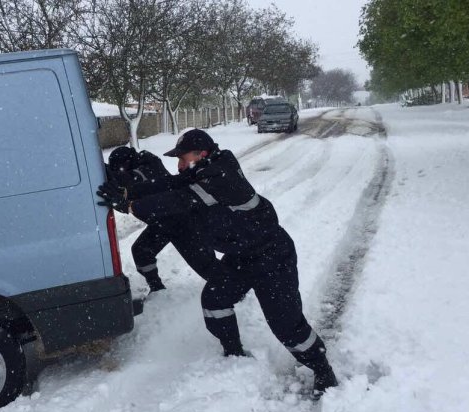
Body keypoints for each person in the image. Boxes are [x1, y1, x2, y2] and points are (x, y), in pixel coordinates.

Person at [97, 129, 338, 397]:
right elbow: (170, 184)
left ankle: (323, 370)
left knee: (286, 325)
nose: (178, 164)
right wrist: (128, 190)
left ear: (201, 154)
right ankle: (233, 351)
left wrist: (129, 205)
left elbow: (175, 201)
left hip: (271, 256)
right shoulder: (208, 167)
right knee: (215, 300)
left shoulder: (219, 179)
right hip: (242, 255)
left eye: (182, 157)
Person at [105, 146, 216, 293]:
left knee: (204, 264)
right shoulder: (139, 166)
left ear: (126, 164)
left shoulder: (146, 168)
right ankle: (156, 287)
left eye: (118, 168)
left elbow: (130, 181)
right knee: (141, 251)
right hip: (160, 223)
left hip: (181, 223)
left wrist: (109, 176)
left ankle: (232, 288)